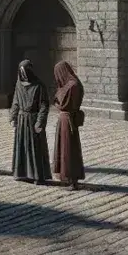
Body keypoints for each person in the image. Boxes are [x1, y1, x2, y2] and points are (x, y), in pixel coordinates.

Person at [10, 60, 51, 184]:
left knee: (35, 148)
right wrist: (13, 117)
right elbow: (15, 101)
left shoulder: (39, 86)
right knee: (22, 147)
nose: (24, 75)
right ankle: (22, 173)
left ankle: (37, 176)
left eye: (26, 71)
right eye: (21, 72)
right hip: (22, 120)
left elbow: (44, 106)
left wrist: (40, 122)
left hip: (33, 120)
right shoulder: (19, 85)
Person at [51, 61, 86, 190]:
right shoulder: (71, 84)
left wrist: (56, 103)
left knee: (68, 150)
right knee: (67, 148)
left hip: (67, 120)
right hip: (66, 120)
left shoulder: (72, 86)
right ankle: (68, 177)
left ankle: (72, 178)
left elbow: (63, 104)